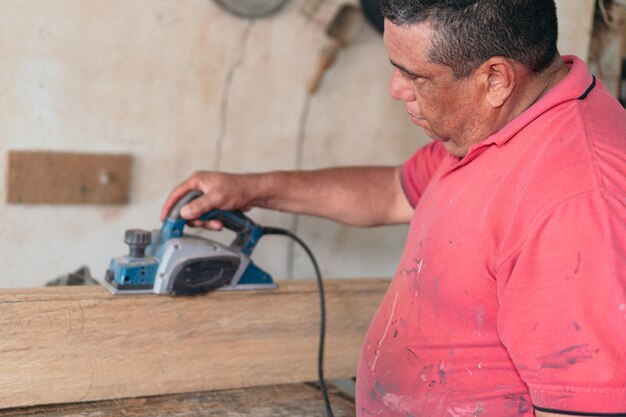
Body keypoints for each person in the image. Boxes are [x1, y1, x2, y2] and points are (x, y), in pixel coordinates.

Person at [161, 0, 626, 415]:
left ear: (495, 79)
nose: (396, 89)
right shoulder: (501, 123)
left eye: (415, 75)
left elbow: (583, 408)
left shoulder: (578, 202)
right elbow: (391, 192)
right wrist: (249, 190)